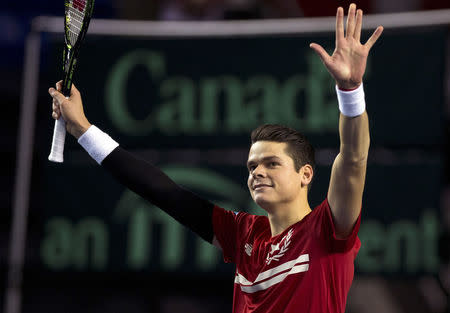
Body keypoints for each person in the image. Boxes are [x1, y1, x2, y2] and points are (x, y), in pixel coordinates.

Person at [49, 3, 383, 313]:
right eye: (252, 166)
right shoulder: (244, 234)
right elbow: (164, 193)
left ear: (305, 174)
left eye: (272, 163)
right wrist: (82, 129)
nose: (257, 173)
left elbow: (353, 160)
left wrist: (351, 90)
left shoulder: (327, 228)